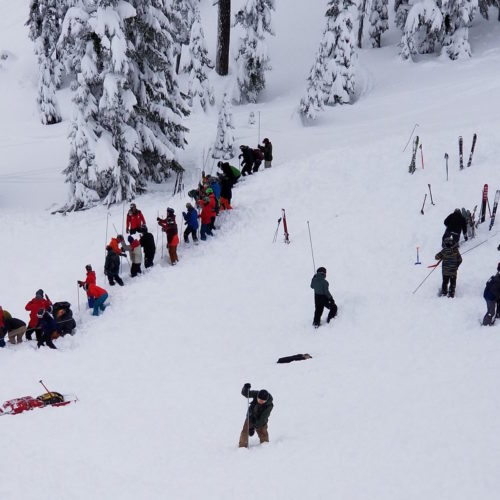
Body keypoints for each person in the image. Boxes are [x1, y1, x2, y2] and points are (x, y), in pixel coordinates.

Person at [238, 383, 274, 448]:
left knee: (263, 433)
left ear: (265, 401)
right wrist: (245, 388)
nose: (260, 401)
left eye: (262, 401)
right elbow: (246, 394)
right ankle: (242, 447)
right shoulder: (256, 394)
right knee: (245, 431)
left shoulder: (269, 406)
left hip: (261, 421)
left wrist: (254, 427)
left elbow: (263, 418)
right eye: (259, 399)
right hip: (251, 416)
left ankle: (265, 447)